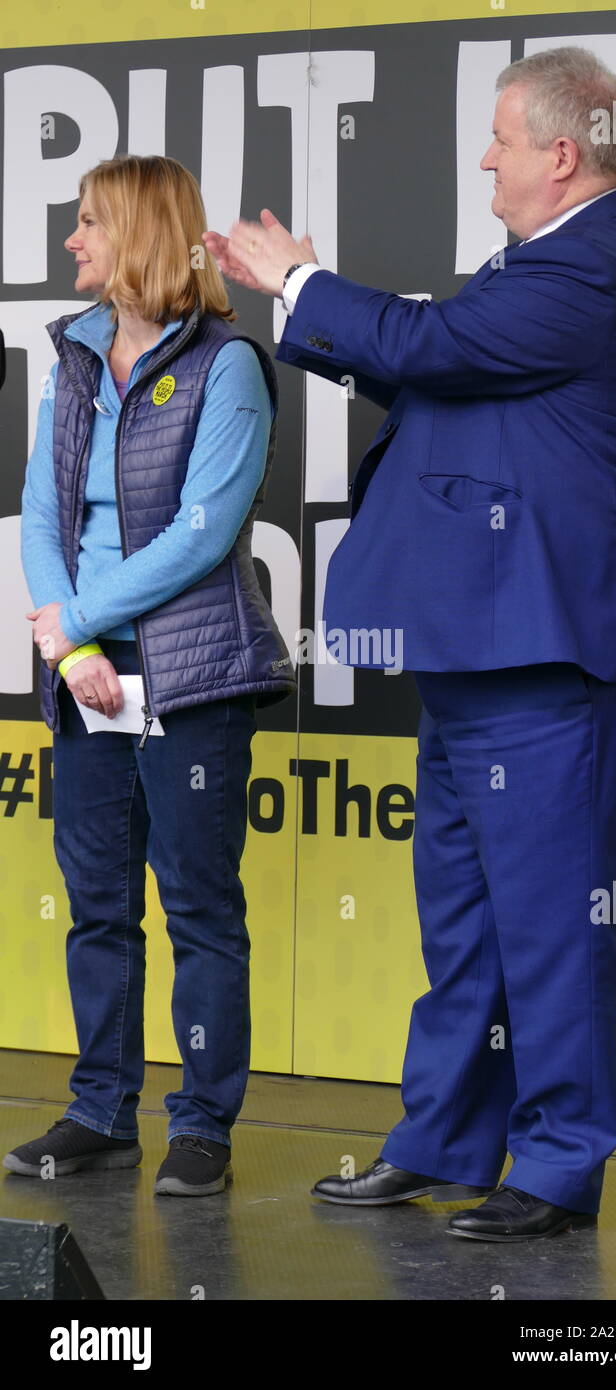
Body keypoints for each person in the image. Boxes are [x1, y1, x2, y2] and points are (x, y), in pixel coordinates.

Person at [203, 46, 616, 1239]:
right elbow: (433, 371)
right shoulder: (536, 272)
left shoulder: (598, 268)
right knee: (464, 917)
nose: (483, 161)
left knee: (555, 924)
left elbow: (433, 352)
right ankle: (444, 1139)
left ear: (561, 154)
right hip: (485, 647)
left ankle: (558, 1164)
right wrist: (317, 305)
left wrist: (307, 280)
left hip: (556, 653)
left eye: (501, 142)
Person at [4, 154, 295, 1198]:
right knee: (97, 906)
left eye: (89, 223)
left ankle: (204, 1125)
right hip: (85, 678)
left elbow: (201, 536)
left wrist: (71, 620)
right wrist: (73, 652)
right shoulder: (73, 360)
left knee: (200, 909)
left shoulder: (228, 366)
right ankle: (100, 1113)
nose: (73, 240)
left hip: (192, 679)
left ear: (135, 234)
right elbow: (40, 516)